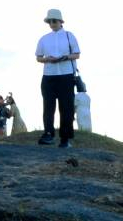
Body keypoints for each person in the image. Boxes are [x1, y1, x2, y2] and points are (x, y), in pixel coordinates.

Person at [35, 8, 80, 148]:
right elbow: (38, 57)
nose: (52, 23)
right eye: (50, 21)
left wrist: (63, 57)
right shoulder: (44, 38)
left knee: (66, 108)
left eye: (54, 21)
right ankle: (48, 133)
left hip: (66, 75)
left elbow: (77, 54)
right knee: (48, 107)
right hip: (48, 76)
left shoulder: (69, 35)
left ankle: (65, 138)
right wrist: (47, 59)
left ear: (61, 21)